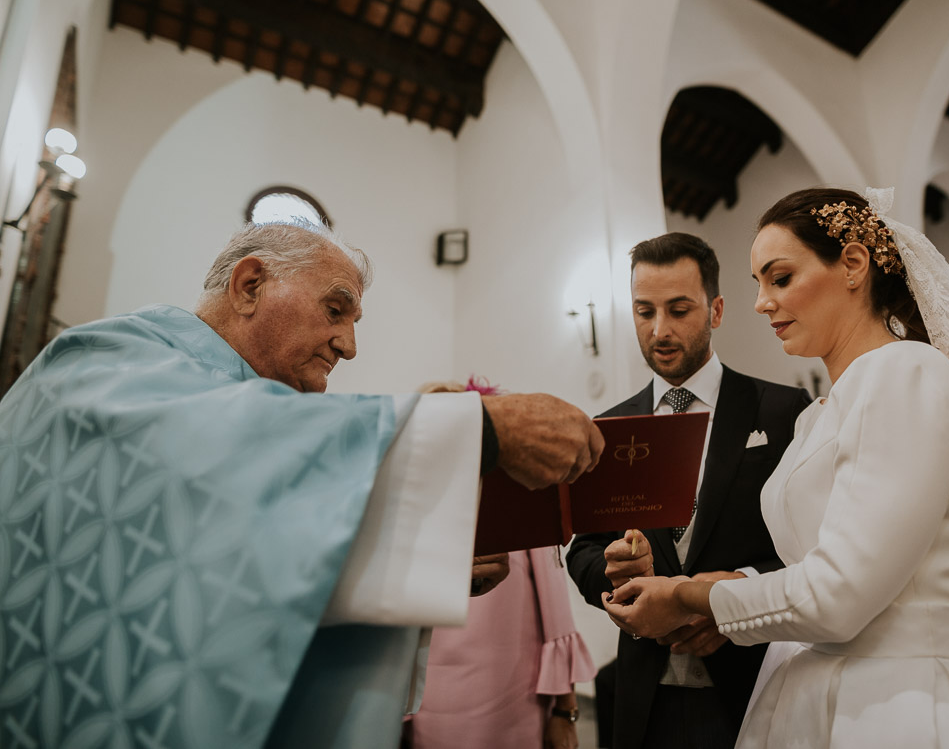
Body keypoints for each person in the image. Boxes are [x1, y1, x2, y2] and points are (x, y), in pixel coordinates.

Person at [0, 219, 604, 749]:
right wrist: (481, 427)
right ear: (250, 285)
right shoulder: (103, 357)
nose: (350, 344)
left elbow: (215, 559)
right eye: (335, 309)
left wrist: (409, 556)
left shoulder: (229, 402)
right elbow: (198, 459)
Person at [603, 188, 949, 747]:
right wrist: (730, 582)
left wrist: (687, 597)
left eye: (780, 278)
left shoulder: (907, 374)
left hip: (908, 699)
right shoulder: (817, 418)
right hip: (817, 688)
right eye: (758, 285)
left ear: (852, 263)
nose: (762, 303)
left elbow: (841, 595)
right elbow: (821, 557)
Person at [566, 233, 810, 749]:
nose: (660, 330)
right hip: (642, 694)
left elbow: (812, 548)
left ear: (716, 310)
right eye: (643, 311)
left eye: (679, 310)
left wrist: (733, 604)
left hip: (752, 682)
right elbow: (583, 548)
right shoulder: (610, 427)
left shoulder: (782, 411)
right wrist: (613, 579)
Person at [404, 379, 597, 749]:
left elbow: (556, 617)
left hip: (511, 698)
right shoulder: (413, 512)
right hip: (431, 702)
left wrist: (564, 711)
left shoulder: (515, 498)